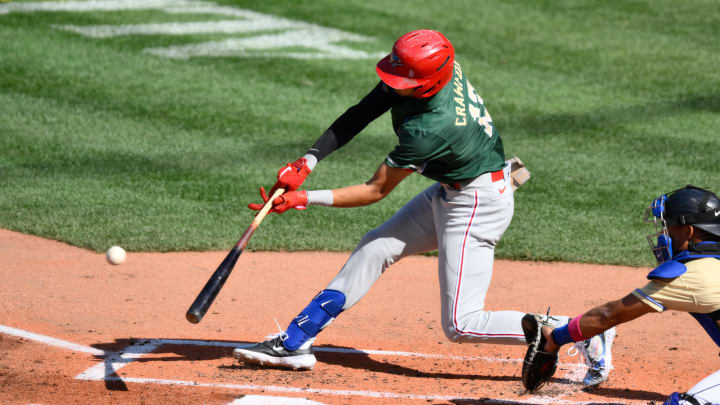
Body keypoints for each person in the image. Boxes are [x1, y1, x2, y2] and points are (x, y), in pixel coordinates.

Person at [233, 29, 614, 387]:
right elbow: (364, 109)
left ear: (427, 82)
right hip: (456, 190)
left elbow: (375, 190)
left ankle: (579, 330)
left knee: (462, 324)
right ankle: (297, 340)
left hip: (476, 204)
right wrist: (308, 161)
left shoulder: (430, 129)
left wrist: (304, 198)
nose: (396, 85)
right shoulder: (431, 67)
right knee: (376, 247)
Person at [523, 185, 720, 404]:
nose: (664, 236)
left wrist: (555, 338)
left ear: (688, 231)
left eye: (669, 229)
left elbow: (609, 315)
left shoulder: (690, 274)